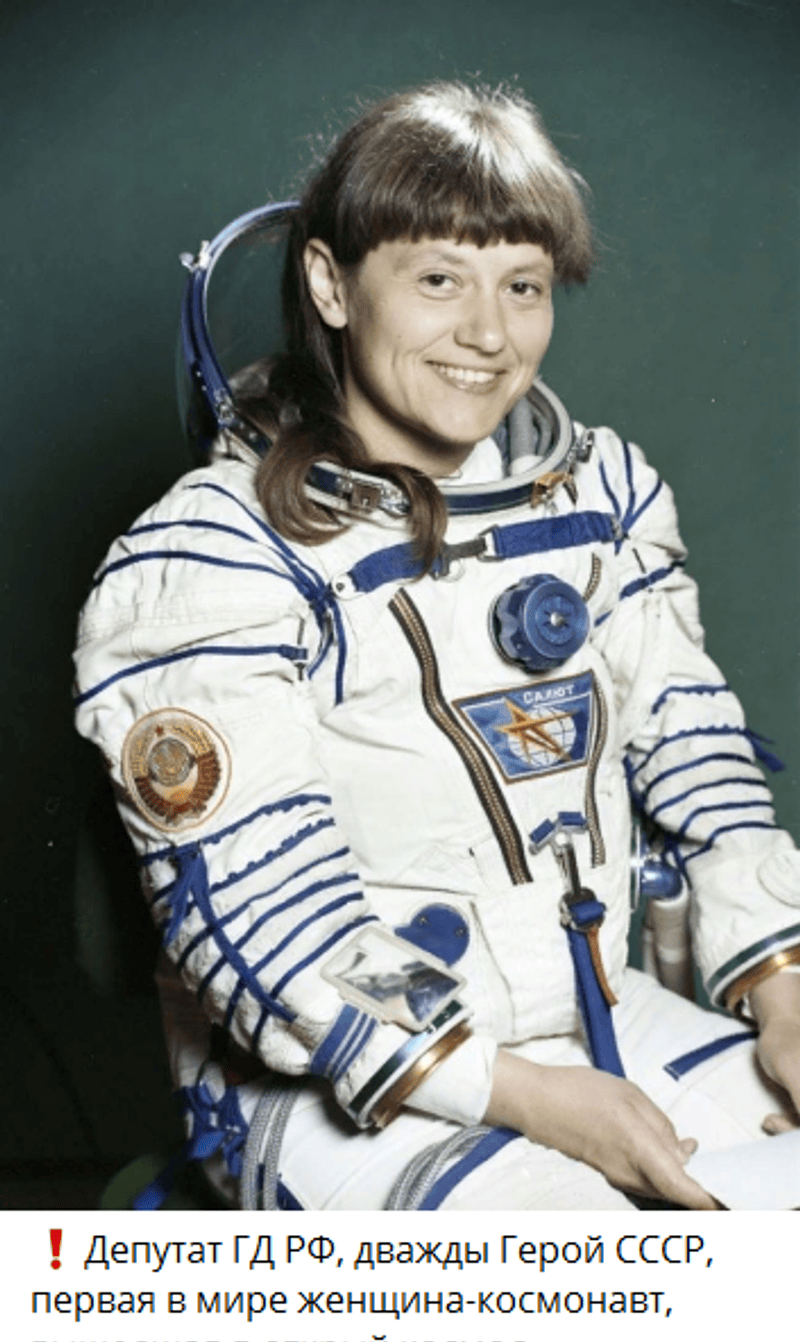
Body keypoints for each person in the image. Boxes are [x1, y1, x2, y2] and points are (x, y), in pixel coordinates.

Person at [74, 81, 800, 1212]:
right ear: (330, 284)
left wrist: (783, 982)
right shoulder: (212, 560)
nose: (488, 334)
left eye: (522, 285)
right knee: (584, 1285)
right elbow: (266, 915)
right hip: (339, 1073)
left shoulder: (597, 500)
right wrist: (523, 1094)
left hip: (597, 1011)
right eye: (437, 279)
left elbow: (694, 755)